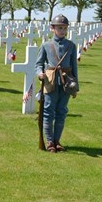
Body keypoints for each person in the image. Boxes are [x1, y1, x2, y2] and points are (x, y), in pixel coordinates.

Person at [35, 14, 79, 153]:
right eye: (59, 28)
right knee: (48, 111)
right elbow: (39, 64)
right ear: (52, 28)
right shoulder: (46, 45)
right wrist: (39, 73)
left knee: (62, 111)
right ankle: (49, 141)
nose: (62, 31)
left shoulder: (71, 46)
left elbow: (74, 67)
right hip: (51, 81)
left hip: (66, 82)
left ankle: (57, 141)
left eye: (65, 28)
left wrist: (75, 87)